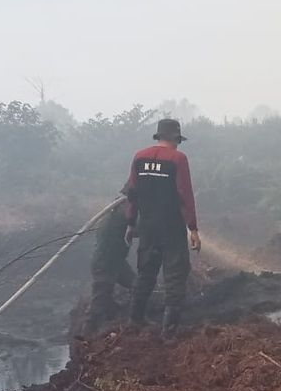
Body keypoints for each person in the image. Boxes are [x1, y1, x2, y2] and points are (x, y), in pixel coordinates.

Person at [125, 118, 201, 332]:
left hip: (147, 226)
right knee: (175, 275)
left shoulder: (139, 158)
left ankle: (134, 320)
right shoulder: (178, 159)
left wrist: (131, 224)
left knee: (145, 273)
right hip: (171, 227)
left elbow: (132, 194)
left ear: (159, 136)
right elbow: (185, 194)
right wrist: (193, 228)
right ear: (176, 138)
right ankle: (169, 331)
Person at [84, 185, 137, 333]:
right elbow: (138, 229)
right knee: (98, 303)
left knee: (136, 285)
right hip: (105, 263)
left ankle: (128, 318)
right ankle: (85, 336)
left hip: (116, 261)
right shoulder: (124, 210)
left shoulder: (116, 207)